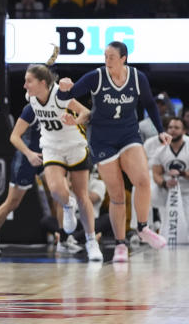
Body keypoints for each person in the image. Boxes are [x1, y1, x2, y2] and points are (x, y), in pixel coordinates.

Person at [58, 41, 170, 262]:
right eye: (105, 56)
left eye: (111, 57)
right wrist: (64, 87)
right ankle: (120, 245)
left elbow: (149, 104)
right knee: (117, 194)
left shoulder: (138, 78)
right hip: (102, 139)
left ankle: (143, 228)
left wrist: (160, 131)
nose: (106, 60)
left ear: (123, 59)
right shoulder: (96, 77)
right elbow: (64, 98)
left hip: (128, 134)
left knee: (143, 180)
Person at [19, 53, 103, 261]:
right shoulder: (31, 98)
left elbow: (87, 113)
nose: (25, 85)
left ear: (42, 82)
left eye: (28, 81)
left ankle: (91, 241)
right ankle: (67, 205)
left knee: (83, 196)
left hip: (74, 145)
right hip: (51, 147)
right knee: (56, 189)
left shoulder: (61, 96)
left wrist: (75, 121)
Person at [0, 122, 43, 256]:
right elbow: (14, 137)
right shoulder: (31, 109)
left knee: (59, 193)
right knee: (12, 202)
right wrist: (29, 154)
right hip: (27, 160)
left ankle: (63, 238)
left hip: (48, 155)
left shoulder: (61, 106)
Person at [150, 117, 189, 242]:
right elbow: (156, 173)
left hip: (188, 192)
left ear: (184, 131)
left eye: (176, 128)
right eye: (170, 128)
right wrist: (164, 183)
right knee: (168, 227)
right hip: (167, 192)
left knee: (186, 229)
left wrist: (182, 173)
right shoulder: (160, 150)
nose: (172, 130)